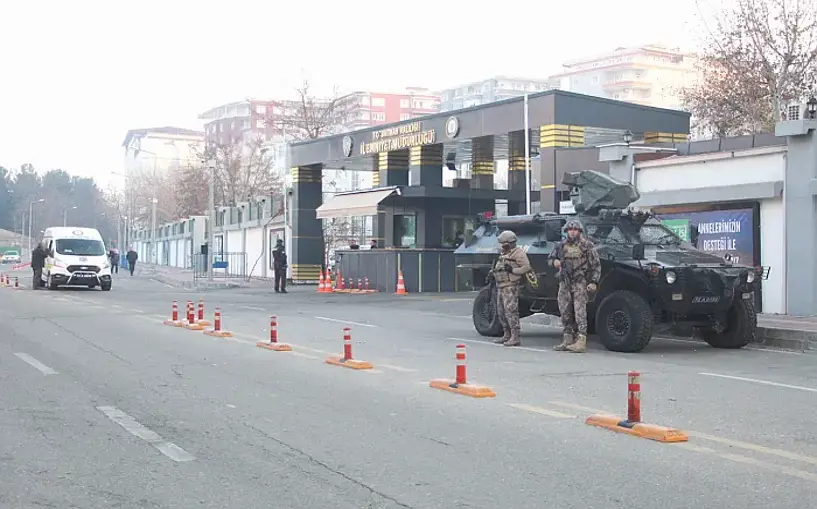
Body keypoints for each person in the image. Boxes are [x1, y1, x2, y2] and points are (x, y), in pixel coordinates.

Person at [549, 219, 601, 353]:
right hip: (565, 282)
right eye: (570, 230)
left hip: (579, 282)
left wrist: (593, 282)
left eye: (575, 230)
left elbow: (595, 265)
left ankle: (581, 340)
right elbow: (550, 259)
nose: (572, 232)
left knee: (580, 312)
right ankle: (567, 339)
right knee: (564, 311)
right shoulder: (560, 246)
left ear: (580, 231)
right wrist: (554, 262)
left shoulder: (587, 246)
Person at [492, 230, 532, 347]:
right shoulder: (504, 254)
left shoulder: (518, 253)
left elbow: (526, 267)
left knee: (511, 311)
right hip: (501, 285)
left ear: (510, 242)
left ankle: (515, 337)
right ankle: (506, 334)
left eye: (503, 243)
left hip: (511, 286)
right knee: (501, 311)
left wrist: (513, 270)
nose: (501, 245)